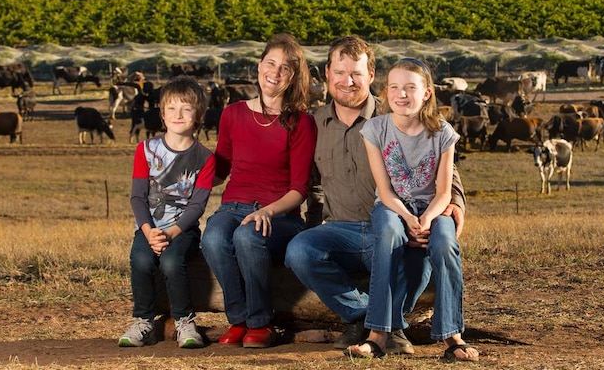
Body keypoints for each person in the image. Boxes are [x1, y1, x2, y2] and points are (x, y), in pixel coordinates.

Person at [285, 36, 466, 355]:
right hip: (343, 231)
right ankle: (368, 319)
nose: (347, 81)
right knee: (300, 250)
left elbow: (440, 166)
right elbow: (310, 184)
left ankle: (381, 327)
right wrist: (311, 225)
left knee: (416, 257)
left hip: (396, 227)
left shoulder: (396, 113)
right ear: (327, 73)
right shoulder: (315, 124)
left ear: (371, 75)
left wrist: (455, 203)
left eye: (356, 73)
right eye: (339, 72)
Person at [348, 57, 479, 361]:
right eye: (394, 87)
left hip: (433, 206)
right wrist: (408, 218)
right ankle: (378, 334)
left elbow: (444, 191)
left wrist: (427, 219)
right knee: (388, 235)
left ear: (427, 93)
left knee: (446, 243)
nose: (402, 94)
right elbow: (385, 191)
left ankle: (452, 335)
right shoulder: (375, 130)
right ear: (385, 92)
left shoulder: (443, 133)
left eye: (410, 87)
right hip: (393, 206)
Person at [201, 33, 318, 348]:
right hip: (233, 207)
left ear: (293, 77)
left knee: (247, 235)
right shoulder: (233, 114)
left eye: (285, 69)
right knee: (212, 236)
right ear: (258, 66)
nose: (275, 72)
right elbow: (220, 168)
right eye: (271, 63)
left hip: (280, 214)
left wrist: (267, 210)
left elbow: (299, 189)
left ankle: (261, 323)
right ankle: (238, 320)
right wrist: (186, 166)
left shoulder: (301, 123)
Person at [119, 75, 215, 349]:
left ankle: (185, 321)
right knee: (141, 260)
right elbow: (138, 197)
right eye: (171, 108)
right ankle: (143, 321)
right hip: (149, 228)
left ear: (198, 116)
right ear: (162, 114)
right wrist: (149, 232)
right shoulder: (146, 150)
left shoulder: (205, 158)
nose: (178, 114)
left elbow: (197, 205)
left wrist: (172, 233)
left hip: (181, 229)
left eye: (186, 109)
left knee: (172, 263)